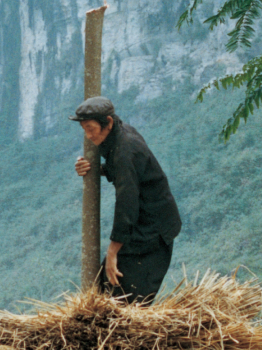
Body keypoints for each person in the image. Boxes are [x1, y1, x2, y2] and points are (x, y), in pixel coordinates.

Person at [72, 96, 182, 305]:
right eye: (84, 129)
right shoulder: (119, 133)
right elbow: (123, 171)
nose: (88, 135)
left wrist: (113, 250)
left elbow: (126, 203)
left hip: (154, 230)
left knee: (125, 300)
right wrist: (94, 168)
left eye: (91, 128)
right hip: (141, 223)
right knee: (103, 285)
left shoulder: (125, 149)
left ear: (108, 123)